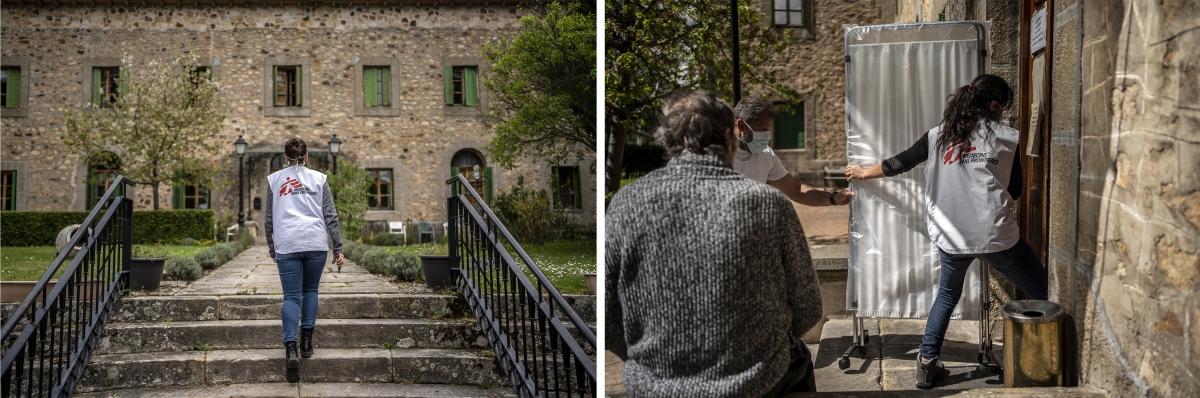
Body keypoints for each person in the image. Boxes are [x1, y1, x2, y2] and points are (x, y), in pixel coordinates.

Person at [606, 90, 823, 396]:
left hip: (657, 386)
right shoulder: (768, 204)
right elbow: (808, 307)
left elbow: (608, 315)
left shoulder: (626, 203)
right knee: (799, 359)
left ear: (668, 140)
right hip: (757, 384)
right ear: (730, 135)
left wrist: (652, 363)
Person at [844, 74, 1048, 390]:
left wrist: (862, 172)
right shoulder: (1008, 138)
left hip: (951, 237)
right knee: (1043, 289)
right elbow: (1017, 189)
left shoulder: (938, 136)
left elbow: (898, 163)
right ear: (993, 105)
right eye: (1002, 107)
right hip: (995, 236)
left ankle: (927, 365)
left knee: (947, 295)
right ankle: (1036, 361)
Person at [264, 137, 345, 383]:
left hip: (287, 243)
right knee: (310, 290)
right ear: (306, 155)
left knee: (291, 296)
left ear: (285, 157)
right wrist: (338, 247)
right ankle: (307, 342)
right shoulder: (319, 179)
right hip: (314, 243)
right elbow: (330, 215)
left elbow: (269, 218)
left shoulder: (275, 179)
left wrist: (272, 247)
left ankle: (291, 349)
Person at [732, 97, 854, 206]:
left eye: (767, 131)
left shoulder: (766, 155)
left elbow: (796, 191)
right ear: (742, 125)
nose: (766, 137)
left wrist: (834, 198)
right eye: (762, 130)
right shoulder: (718, 155)